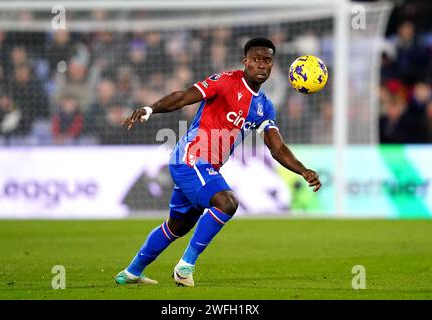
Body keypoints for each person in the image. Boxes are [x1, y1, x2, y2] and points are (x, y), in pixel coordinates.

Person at [115, 37, 322, 287]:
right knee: (227, 202)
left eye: (267, 60)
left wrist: (303, 170)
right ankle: (185, 267)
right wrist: (150, 109)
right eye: (256, 59)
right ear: (245, 61)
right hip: (191, 158)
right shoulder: (225, 81)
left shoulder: (264, 106)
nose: (262, 65)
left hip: (205, 166)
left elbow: (276, 147)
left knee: (177, 226)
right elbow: (183, 97)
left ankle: (131, 273)